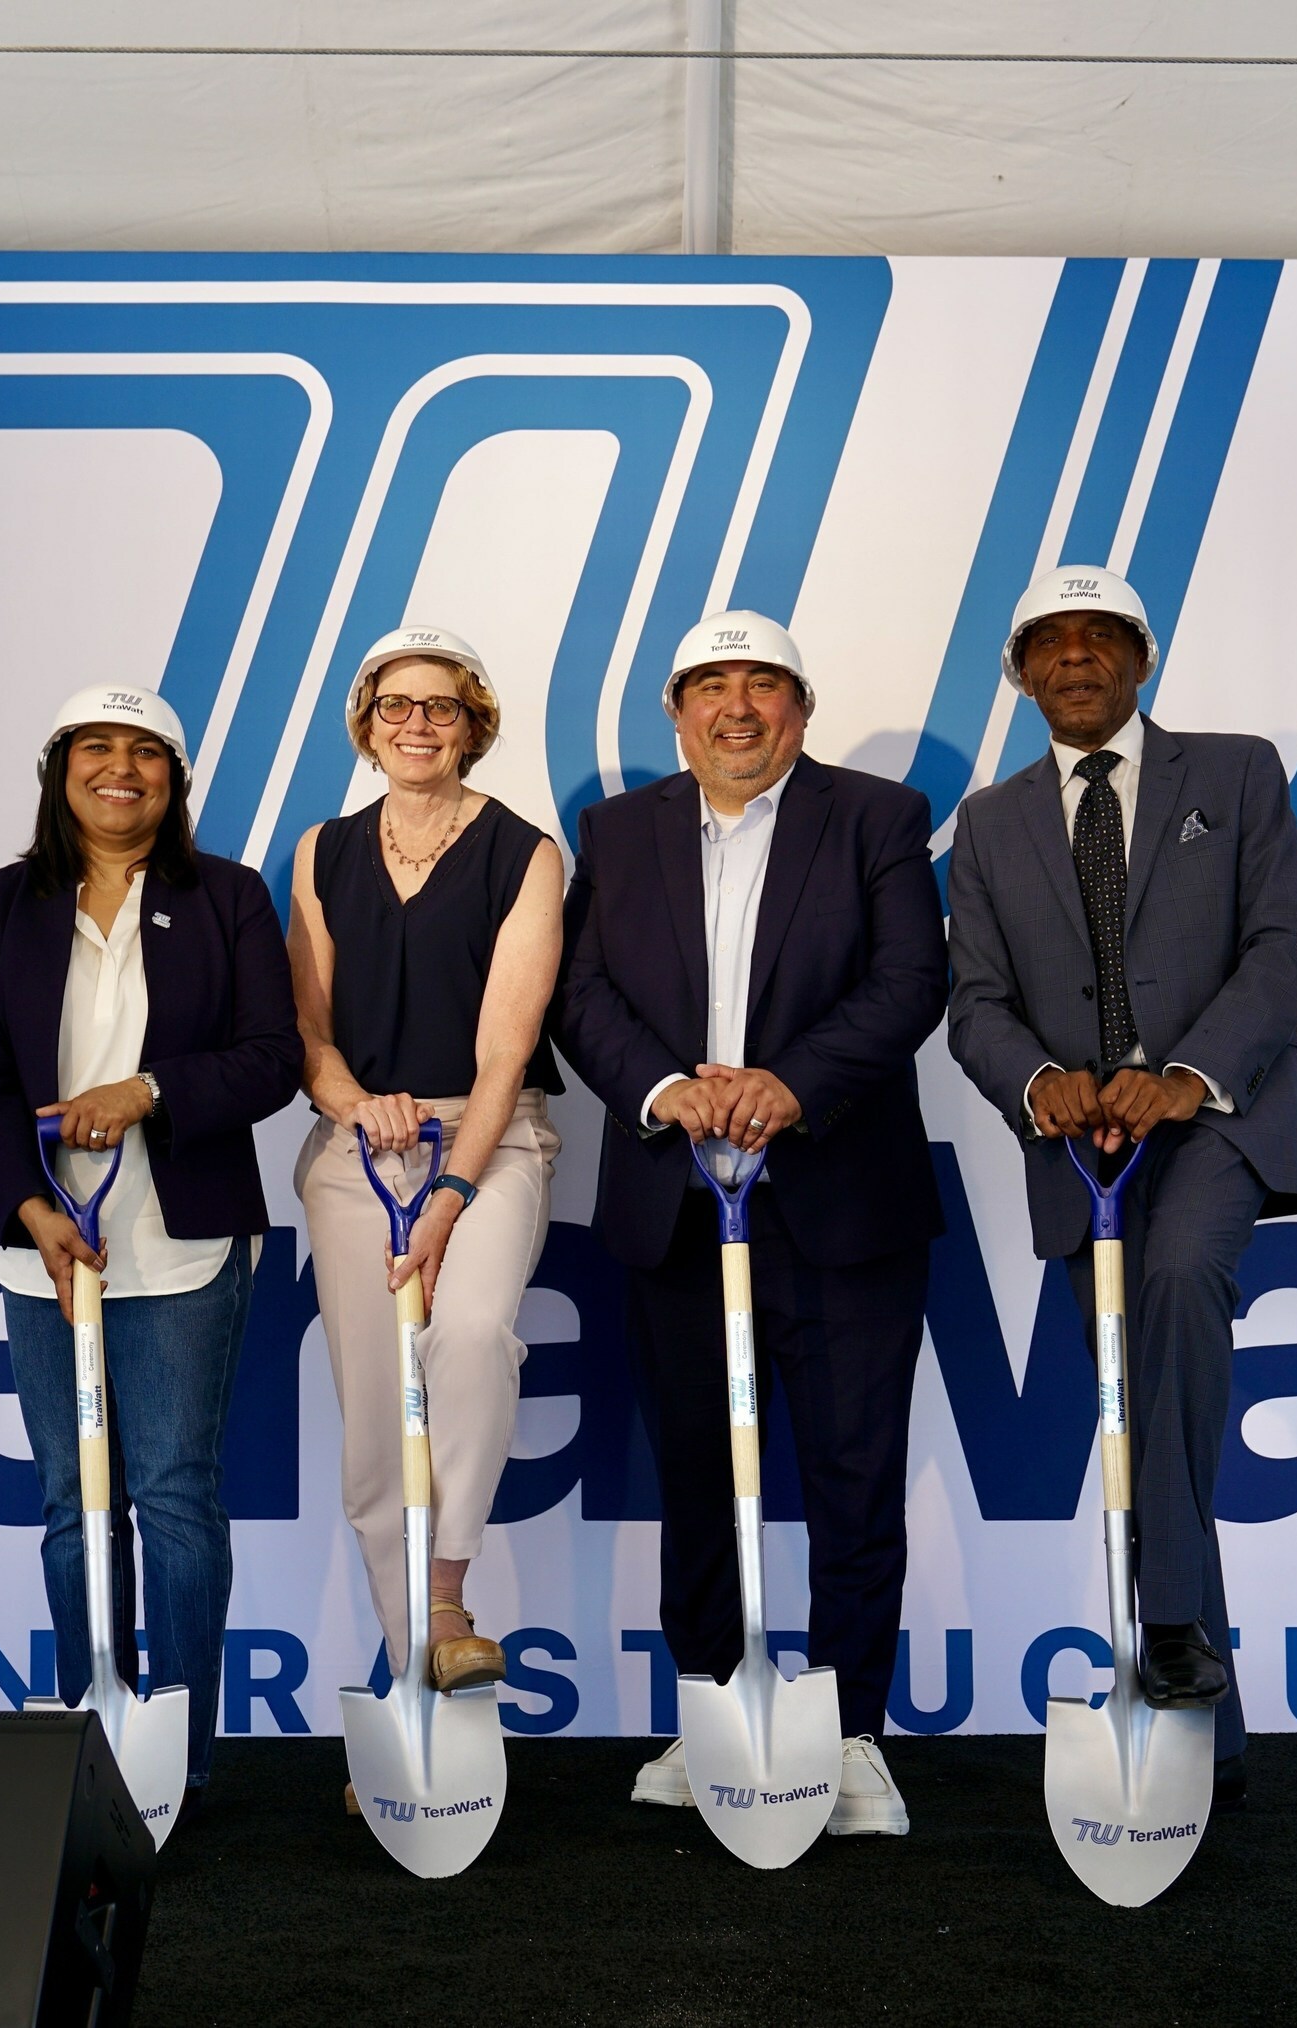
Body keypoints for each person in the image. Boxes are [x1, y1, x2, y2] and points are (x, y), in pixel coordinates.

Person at [557, 609, 946, 1836]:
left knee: (852, 1478)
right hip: (677, 1204)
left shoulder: (877, 818)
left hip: (840, 1201)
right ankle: (715, 1715)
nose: (738, 708)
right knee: (698, 1481)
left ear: (802, 707)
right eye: (711, 687)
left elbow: (910, 982)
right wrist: (671, 1090)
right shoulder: (620, 830)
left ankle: (855, 1737)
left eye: (763, 685)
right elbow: (582, 991)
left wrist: (793, 1082)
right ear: (675, 712)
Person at [945, 568, 1297, 1802]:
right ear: (1019, 675)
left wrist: (1192, 1074)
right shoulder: (990, 822)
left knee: (1174, 1284)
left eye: (1099, 638)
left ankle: (1166, 1614)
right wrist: (1040, 1082)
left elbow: (1288, 941)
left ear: (1140, 659)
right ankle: (1191, 1695)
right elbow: (975, 1005)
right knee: (1131, 1392)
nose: (1075, 659)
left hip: (1217, 1119)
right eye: (1048, 643)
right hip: (1081, 1147)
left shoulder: (1233, 772)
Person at [0, 683, 305, 1818]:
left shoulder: (229, 898)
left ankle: (180, 1756)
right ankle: (89, 1736)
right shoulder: (1, 903)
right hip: (44, 1239)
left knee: (173, 1492)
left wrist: (150, 1090)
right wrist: (27, 1203)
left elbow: (271, 1059)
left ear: (177, 777)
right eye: (96, 750)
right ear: (61, 772)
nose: (122, 770)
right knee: (72, 1499)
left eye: (146, 753)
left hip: (181, 1237)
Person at [287, 625, 564, 1715]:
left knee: (468, 1334)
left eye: (440, 707)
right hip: (356, 1144)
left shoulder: (525, 851)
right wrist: (359, 1106)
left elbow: (507, 1048)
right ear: (366, 726)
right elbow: (308, 1036)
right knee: (372, 1415)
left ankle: (445, 1595)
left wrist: (452, 1189)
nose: (417, 725)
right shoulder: (322, 852)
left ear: (474, 725)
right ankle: (418, 1689)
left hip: (488, 1137)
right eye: (395, 707)